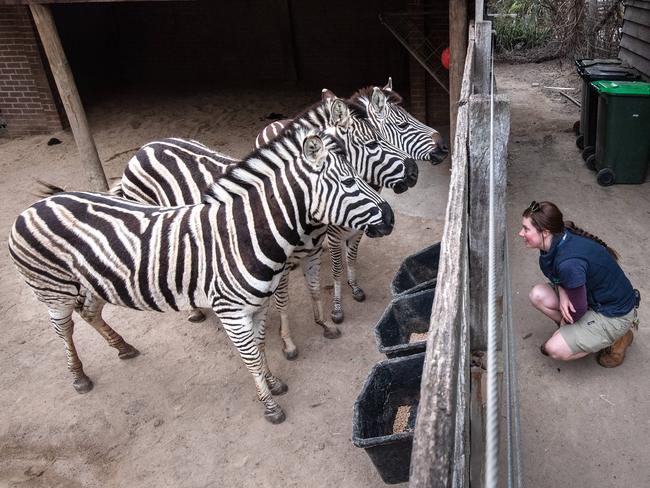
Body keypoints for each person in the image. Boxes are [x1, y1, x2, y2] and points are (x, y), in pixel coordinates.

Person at [519, 200, 640, 367]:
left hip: (614, 313)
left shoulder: (569, 264)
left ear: (545, 232)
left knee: (552, 348)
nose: (520, 233)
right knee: (537, 295)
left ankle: (619, 337)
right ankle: (582, 334)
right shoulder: (558, 237)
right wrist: (562, 292)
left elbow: (579, 309)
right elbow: (557, 277)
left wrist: (563, 327)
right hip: (592, 298)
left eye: (526, 229)